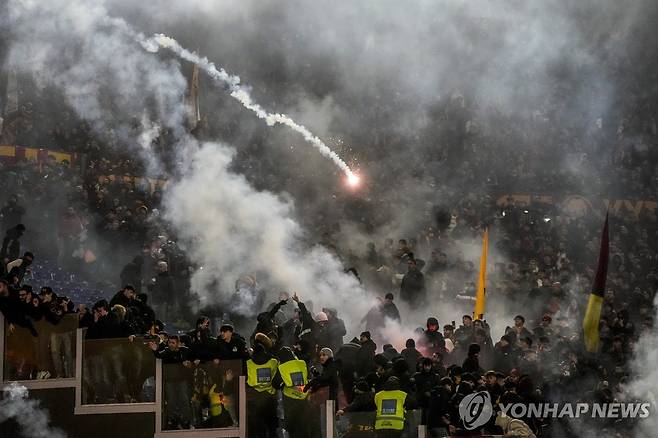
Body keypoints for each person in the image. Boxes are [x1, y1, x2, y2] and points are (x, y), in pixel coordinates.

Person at [149, 335, 193, 429]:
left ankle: (186, 419)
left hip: (182, 380)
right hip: (170, 381)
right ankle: (172, 420)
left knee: (184, 399)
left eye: (173, 343)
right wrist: (155, 350)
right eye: (169, 342)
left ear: (178, 343)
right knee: (171, 401)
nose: (171, 345)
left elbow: (192, 363)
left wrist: (189, 365)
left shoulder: (184, 351)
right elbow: (159, 355)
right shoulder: (166, 351)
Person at [245, 333, 279, 438]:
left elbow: (246, 379)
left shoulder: (248, 363)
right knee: (272, 428)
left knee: (259, 428)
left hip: (255, 398)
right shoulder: (273, 361)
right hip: (270, 397)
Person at [274, 346, 311, 438]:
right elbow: (308, 377)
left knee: (293, 427)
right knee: (304, 426)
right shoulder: (302, 363)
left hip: (290, 401)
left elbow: (275, 383)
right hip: (304, 398)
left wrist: (283, 385)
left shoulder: (282, 367)